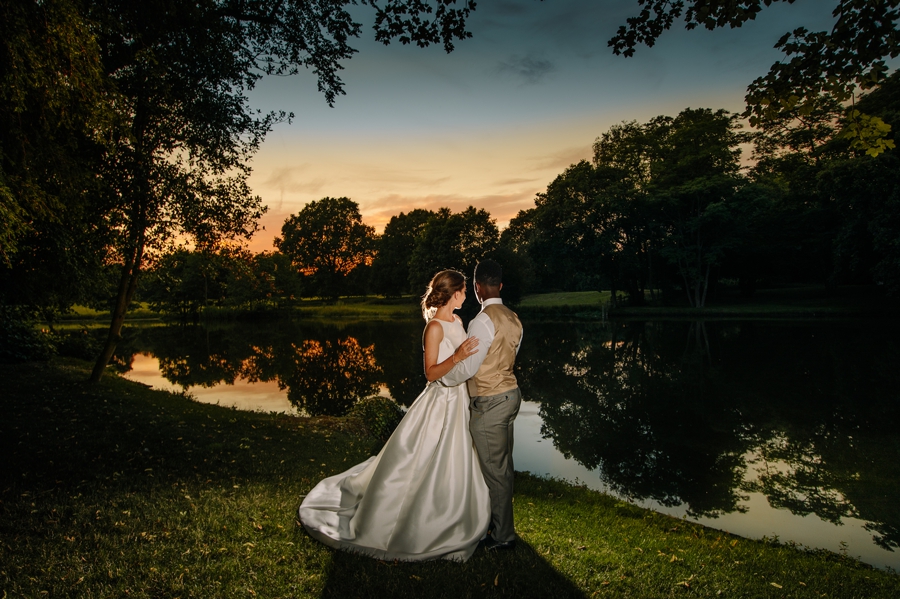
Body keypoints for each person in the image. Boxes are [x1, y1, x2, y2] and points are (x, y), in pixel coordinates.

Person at [297, 270, 491, 561]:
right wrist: (458, 357)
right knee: (420, 457)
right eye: (463, 291)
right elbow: (430, 373)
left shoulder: (459, 320)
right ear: (452, 293)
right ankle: (410, 518)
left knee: (459, 458)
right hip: (439, 402)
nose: (466, 296)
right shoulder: (434, 327)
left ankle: (457, 512)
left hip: (459, 398)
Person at [440, 259, 523, 551]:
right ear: (500, 285)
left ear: (477, 288)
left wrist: (442, 378)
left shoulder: (481, 320)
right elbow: (509, 357)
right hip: (511, 396)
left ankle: (503, 537)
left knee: (495, 470)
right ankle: (498, 524)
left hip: (489, 400)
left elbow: (468, 369)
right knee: (503, 466)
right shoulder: (513, 317)